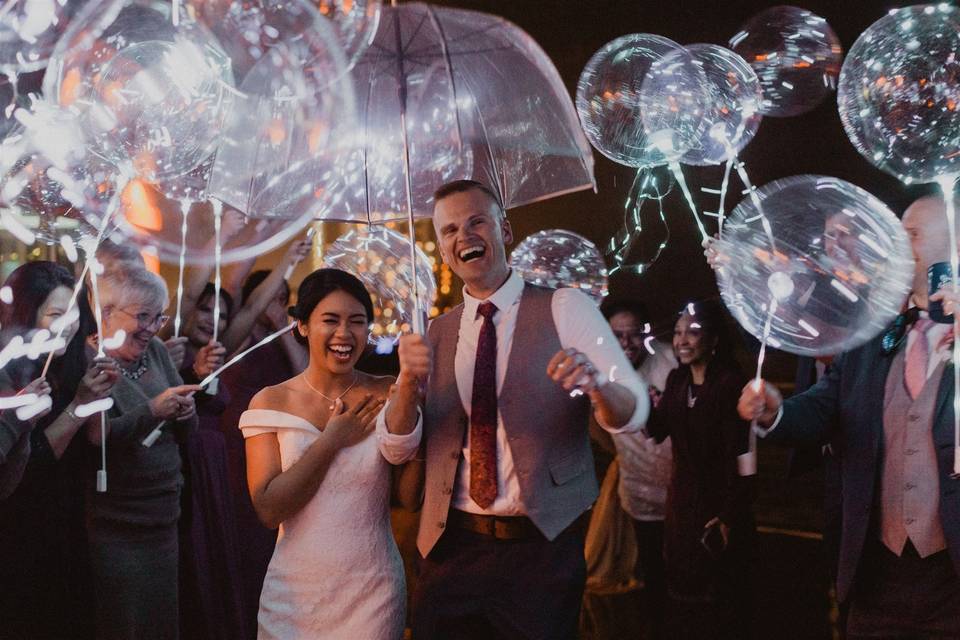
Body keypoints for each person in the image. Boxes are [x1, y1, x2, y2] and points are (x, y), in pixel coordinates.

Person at [382, 179, 649, 639]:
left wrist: (597, 385)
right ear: (443, 249)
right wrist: (406, 384)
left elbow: (634, 411)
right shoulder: (434, 333)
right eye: (448, 231)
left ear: (504, 230)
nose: (462, 237)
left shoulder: (566, 307)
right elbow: (397, 446)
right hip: (450, 548)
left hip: (540, 551)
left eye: (476, 222)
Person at [738, 194, 960, 638]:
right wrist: (776, 412)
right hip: (876, 573)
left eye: (911, 233)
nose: (896, 242)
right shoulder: (875, 331)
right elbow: (826, 404)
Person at [239, 268, 404, 639]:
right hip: (295, 593)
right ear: (301, 325)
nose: (344, 334)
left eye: (357, 322)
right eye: (330, 320)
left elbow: (410, 495)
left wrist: (412, 400)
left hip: (373, 589)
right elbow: (268, 509)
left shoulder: (388, 393)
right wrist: (331, 442)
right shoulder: (270, 400)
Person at [0, 261, 118, 639]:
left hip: (68, 519)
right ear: (24, 313)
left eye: (73, 311)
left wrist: (99, 394)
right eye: (55, 313)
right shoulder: (10, 372)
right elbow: (30, 467)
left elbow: (97, 443)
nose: (68, 323)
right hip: (20, 530)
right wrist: (76, 405)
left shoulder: (72, 360)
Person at [87, 266, 199, 640]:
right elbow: (95, 440)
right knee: (125, 624)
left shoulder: (155, 353)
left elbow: (183, 427)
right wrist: (151, 411)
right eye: (142, 316)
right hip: (118, 524)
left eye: (158, 316)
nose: (152, 327)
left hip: (165, 515)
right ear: (105, 313)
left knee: (162, 621)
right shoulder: (90, 363)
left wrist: (186, 412)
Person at [644, 299, 754, 639]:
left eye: (692, 331)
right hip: (681, 506)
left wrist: (728, 515)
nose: (682, 341)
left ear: (714, 338)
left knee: (721, 600)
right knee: (681, 597)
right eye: (677, 333)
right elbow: (658, 430)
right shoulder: (677, 380)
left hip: (718, 507)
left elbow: (743, 456)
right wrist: (645, 405)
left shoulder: (731, 384)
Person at [217, 251, 309, 639]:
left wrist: (283, 330)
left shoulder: (289, 340)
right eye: (271, 298)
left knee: (274, 536)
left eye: (283, 299)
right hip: (235, 448)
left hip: (281, 448)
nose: (277, 305)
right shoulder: (236, 339)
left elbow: (304, 374)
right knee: (240, 536)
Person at [599, 298, 677, 640]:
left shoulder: (672, 360)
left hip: (683, 491)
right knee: (653, 577)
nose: (626, 343)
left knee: (688, 577)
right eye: (617, 334)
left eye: (633, 334)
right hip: (639, 493)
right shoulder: (601, 372)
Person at [176, 283, 245, 640]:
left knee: (215, 552)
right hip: (186, 462)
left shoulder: (217, 353)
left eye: (221, 315)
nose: (212, 320)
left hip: (215, 469)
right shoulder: (170, 351)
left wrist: (293, 257)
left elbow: (248, 314)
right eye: (205, 309)